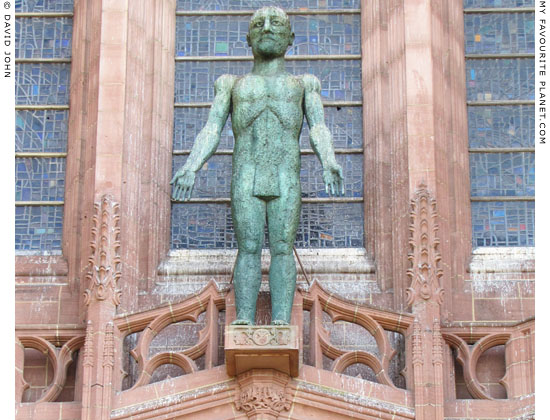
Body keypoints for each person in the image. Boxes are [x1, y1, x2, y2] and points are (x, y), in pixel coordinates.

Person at [171, 6, 344, 325]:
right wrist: (192, 166)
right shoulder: (231, 85)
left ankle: (281, 322)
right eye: (258, 24)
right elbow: (211, 128)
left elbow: (318, 126)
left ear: (290, 37)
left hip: (285, 177)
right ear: (247, 37)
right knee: (248, 247)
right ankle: (244, 321)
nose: (266, 28)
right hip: (246, 177)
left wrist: (328, 160)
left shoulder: (303, 84)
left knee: (282, 246)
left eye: (276, 23)